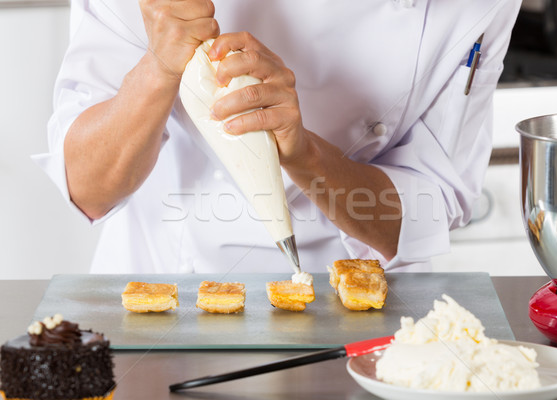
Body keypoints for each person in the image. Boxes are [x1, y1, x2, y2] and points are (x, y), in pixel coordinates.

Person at [34, 0, 521, 274]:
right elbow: (87, 185)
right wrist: (160, 68)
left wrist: (304, 153)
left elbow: (427, 211)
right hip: (164, 295)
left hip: (359, 329)